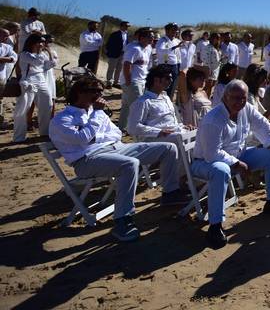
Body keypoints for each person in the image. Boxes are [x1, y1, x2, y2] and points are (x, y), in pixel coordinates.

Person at [49, 76, 189, 242]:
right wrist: (98, 119)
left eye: (100, 92)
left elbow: (116, 133)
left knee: (168, 148)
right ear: (80, 92)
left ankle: (170, 192)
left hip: (118, 148)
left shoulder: (95, 113)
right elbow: (82, 139)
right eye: (95, 92)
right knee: (130, 165)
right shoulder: (63, 119)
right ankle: (123, 219)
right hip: (87, 160)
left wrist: (95, 135)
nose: (99, 96)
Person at [192, 79, 270, 248]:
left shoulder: (246, 109)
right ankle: (215, 226)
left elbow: (262, 124)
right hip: (206, 163)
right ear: (225, 97)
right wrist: (236, 163)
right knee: (221, 170)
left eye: (243, 98)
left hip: (238, 155)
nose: (240, 102)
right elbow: (211, 154)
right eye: (235, 98)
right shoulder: (213, 119)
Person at [13, 33, 57, 141]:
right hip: (29, 81)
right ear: (33, 43)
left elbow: (51, 64)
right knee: (23, 109)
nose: (42, 44)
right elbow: (37, 62)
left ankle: (45, 133)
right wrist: (41, 52)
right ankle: (19, 137)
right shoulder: (25, 54)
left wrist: (49, 52)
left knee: (47, 105)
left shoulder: (42, 54)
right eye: (40, 42)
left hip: (41, 80)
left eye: (43, 42)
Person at [127, 66, 189, 139]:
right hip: (155, 140)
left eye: (171, 78)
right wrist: (159, 132)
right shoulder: (142, 102)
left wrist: (183, 126)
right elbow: (132, 127)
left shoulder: (166, 97)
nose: (171, 81)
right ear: (156, 80)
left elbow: (171, 122)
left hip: (174, 134)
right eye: (167, 78)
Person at [119, 28, 154, 131]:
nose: (151, 39)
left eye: (152, 37)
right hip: (133, 81)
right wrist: (129, 81)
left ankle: (122, 127)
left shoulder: (148, 48)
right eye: (149, 37)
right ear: (141, 38)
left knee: (126, 106)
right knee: (138, 107)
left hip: (141, 80)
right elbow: (127, 65)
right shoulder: (134, 48)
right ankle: (135, 129)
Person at [155, 23, 182, 96]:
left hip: (175, 66)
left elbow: (178, 55)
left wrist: (179, 65)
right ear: (167, 31)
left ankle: (169, 102)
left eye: (176, 30)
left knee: (172, 86)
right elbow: (160, 51)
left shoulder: (176, 40)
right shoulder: (162, 40)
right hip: (165, 66)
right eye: (173, 30)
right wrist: (174, 47)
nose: (175, 32)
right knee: (163, 87)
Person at [104, 21, 129, 88]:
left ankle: (116, 82)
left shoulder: (127, 35)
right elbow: (109, 44)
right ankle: (109, 82)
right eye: (126, 26)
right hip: (114, 54)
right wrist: (109, 53)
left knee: (119, 69)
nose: (127, 27)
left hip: (123, 54)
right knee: (111, 68)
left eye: (127, 26)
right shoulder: (115, 34)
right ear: (121, 26)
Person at [175, 28, 197, 100]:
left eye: (192, 35)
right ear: (183, 36)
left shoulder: (193, 46)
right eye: (189, 35)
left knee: (187, 89)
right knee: (179, 90)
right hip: (180, 71)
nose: (191, 37)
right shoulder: (179, 46)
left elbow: (193, 59)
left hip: (189, 71)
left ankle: (185, 106)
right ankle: (178, 105)